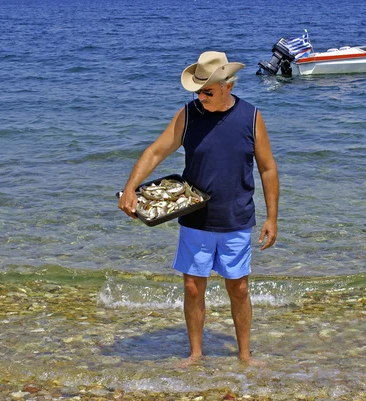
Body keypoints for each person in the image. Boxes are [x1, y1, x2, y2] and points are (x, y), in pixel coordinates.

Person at [118, 51, 279, 366]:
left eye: (207, 91)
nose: (200, 96)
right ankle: (195, 354)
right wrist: (129, 188)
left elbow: (268, 169)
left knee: (240, 289)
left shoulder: (252, 117)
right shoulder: (188, 115)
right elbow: (155, 152)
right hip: (195, 215)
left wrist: (272, 217)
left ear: (227, 86)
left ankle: (245, 355)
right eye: (198, 90)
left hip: (236, 217)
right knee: (192, 287)